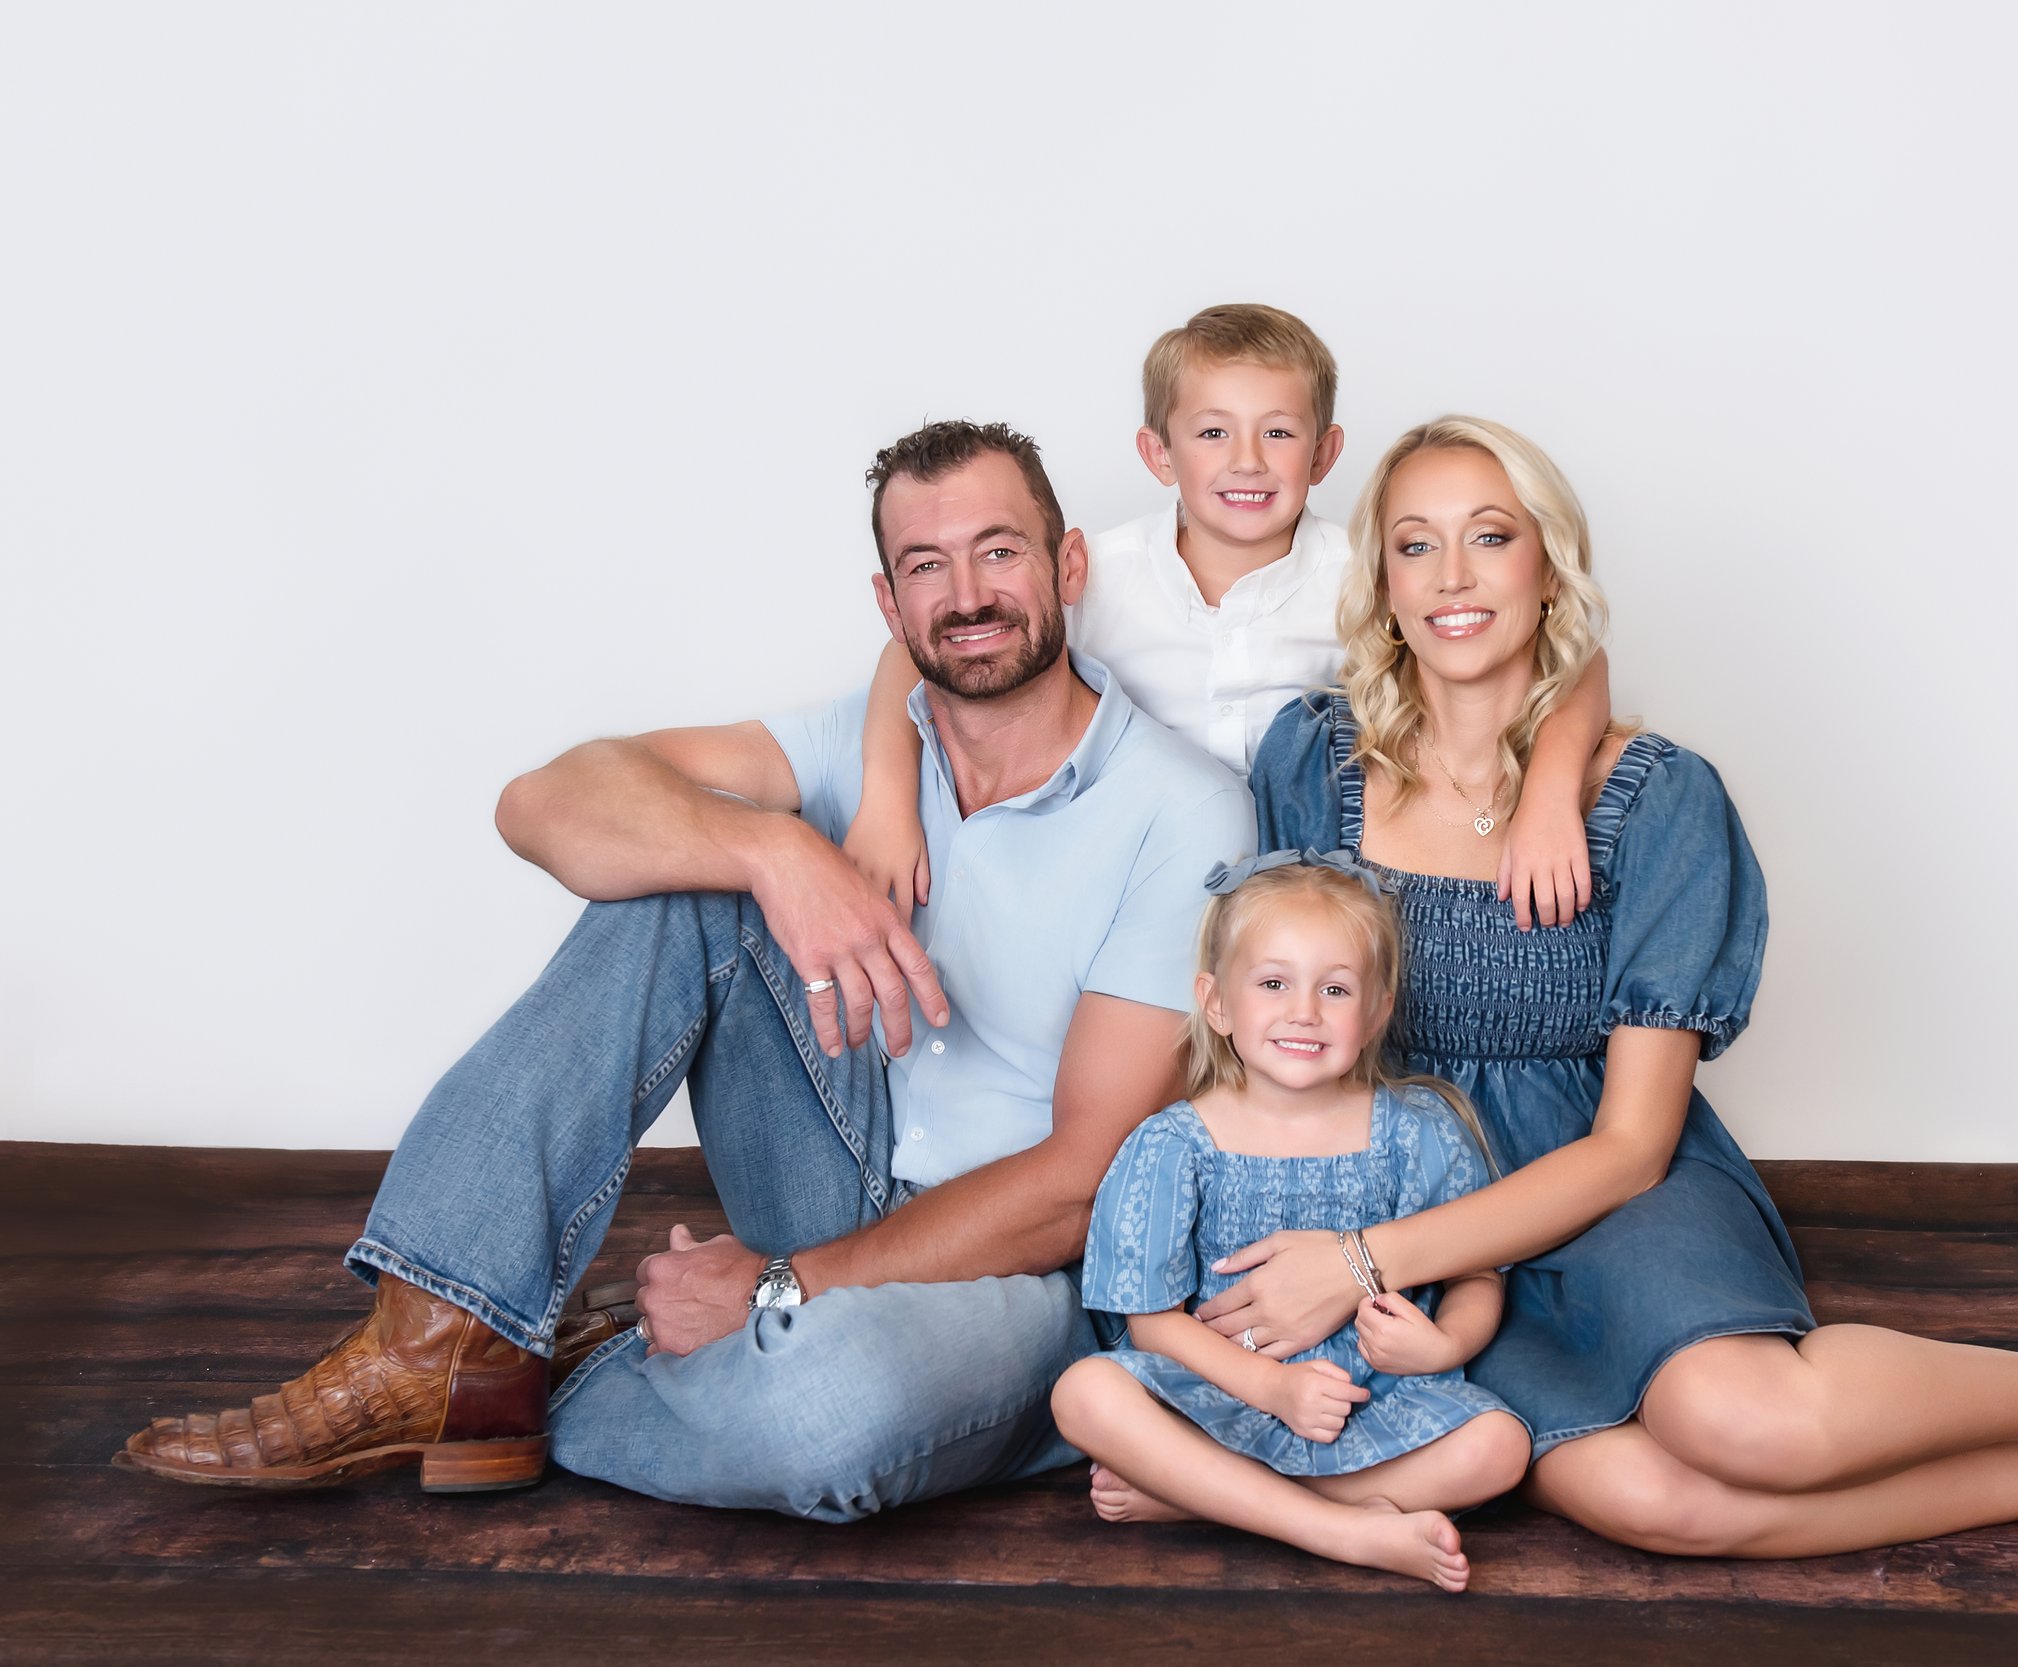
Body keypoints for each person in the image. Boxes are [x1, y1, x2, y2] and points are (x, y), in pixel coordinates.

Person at [1200, 415, 2018, 1556]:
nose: (1452, 574)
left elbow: (1631, 1146)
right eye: (1415, 543)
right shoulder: (1312, 765)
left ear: (1550, 569)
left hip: (1607, 1185)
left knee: (1740, 1419)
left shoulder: (1657, 797)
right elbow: (1261, 1024)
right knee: (1654, 1502)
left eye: (1492, 537)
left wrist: (1359, 1264)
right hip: (1407, 1200)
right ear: (1382, 584)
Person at [115, 420, 1254, 1522]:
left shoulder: (1179, 806)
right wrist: (775, 849)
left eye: (998, 550)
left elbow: (1076, 1181)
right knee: (682, 866)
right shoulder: (853, 750)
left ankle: (523, 1369)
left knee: (829, 1410)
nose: (967, 594)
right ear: (887, 602)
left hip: (1021, 1271)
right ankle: (443, 1325)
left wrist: (779, 1285)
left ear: (1064, 563)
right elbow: (543, 800)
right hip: (833, 1164)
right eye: (925, 563)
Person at [844, 303, 1613, 933]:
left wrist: (1548, 792)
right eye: (1213, 432)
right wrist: (885, 797)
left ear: (1323, 453)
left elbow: (1561, 653)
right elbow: (916, 652)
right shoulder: (1093, 572)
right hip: (1120, 891)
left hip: (1307, 922)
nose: (1247, 460)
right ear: (1159, 453)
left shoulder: (1367, 575)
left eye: (1278, 432)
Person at [1050, 852, 1529, 1592]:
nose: (1303, 1010)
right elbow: (1150, 1323)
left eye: (1334, 988)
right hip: (1218, 1400)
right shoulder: (1174, 1144)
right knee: (1083, 1392)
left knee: (1501, 1446)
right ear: (1215, 1001)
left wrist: (1442, 1344)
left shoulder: (1418, 1129)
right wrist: (1269, 1389)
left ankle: (1201, 1498)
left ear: (1375, 1010)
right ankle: (1342, 1529)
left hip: (1374, 1406)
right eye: (1273, 983)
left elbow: (1475, 1270)